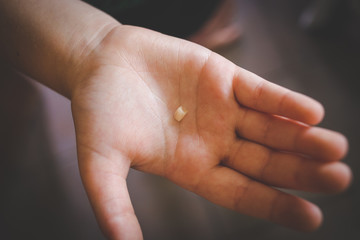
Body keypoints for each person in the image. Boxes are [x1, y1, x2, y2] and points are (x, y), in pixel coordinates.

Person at [0, 0, 352, 239]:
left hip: (189, 9)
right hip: (89, 16)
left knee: (205, 21)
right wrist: (92, 48)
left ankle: (206, 31)